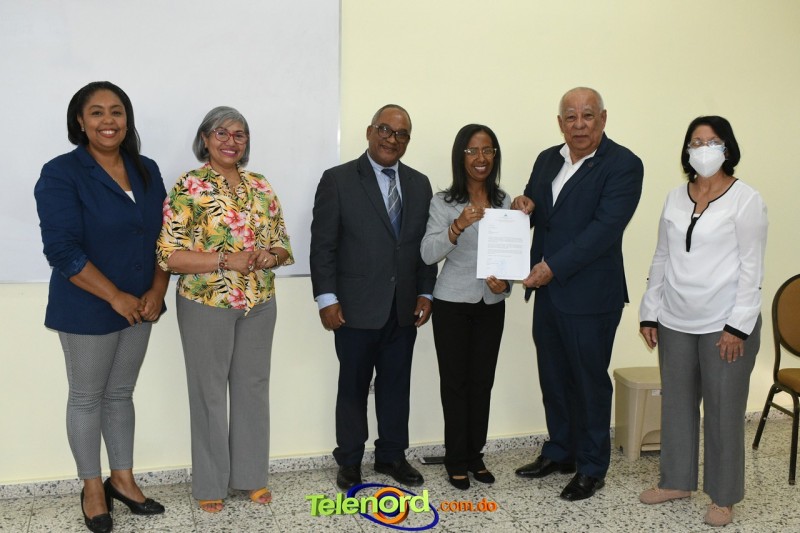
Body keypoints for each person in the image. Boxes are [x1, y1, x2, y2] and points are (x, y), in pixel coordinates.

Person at [34, 81, 168, 533]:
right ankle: (92, 488)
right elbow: (62, 250)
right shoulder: (61, 173)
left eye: (116, 111)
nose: (108, 121)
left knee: (120, 394)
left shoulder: (146, 169)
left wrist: (157, 290)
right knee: (87, 398)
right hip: (88, 305)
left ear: (127, 120)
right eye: (96, 112)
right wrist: (115, 296)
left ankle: (123, 480)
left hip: (141, 305)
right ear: (80, 121)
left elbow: (165, 238)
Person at [156, 106, 293, 513]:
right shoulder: (189, 186)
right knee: (209, 394)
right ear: (205, 138)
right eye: (221, 133)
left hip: (259, 302)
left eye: (239, 135)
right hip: (206, 302)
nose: (231, 142)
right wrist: (224, 260)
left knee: (253, 390)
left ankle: (250, 476)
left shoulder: (260, 185)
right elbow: (168, 255)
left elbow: (284, 245)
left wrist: (270, 256)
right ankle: (210, 483)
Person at [512, 87, 643, 501]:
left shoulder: (623, 164)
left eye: (588, 115)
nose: (580, 124)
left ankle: (591, 466)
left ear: (603, 118)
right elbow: (536, 210)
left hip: (591, 295)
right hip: (549, 293)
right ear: (560, 123)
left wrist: (552, 267)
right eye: (571, 117)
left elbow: (603, 230)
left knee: (588, 383)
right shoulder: (547, 159)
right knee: (554, 377)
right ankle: (560, 452)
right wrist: (522, 205)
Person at [638, 116, 767, 527]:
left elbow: (752, 268)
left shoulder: (746, 199)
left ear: (727, 149)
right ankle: (676, 481)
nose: (703, 148)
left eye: (712, 141)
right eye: (695, 141)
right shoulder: (675, 198)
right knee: (676, 405)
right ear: (686, 150)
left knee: (723, 411)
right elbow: (662, 256)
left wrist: (738, 326)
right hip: (675, 319)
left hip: (724, 324)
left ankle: (723, 497)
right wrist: (650, 311)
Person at [310, 104, 437, 490]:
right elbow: (323, 245)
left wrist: (426, 291)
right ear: (369, 132)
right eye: (385, 129)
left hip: (403, 308)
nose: (391, 139)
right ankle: (349, 460)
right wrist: (327, 298)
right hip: (353, 308)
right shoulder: (338, 180)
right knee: (352, 388)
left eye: (401, 134)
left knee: (396, 387)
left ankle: (392, 456)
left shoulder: (419, 184)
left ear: (408, 141)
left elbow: (424, 246)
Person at [420, 124, 511, 490]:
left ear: (495, 156)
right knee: (455, 384)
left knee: (482, 383)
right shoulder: (443, 201)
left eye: (487, 150)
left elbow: (510, 256)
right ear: (461, 156)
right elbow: (428, 253)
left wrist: (506, 283)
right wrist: (457, 226)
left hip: (492, 303)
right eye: (472, 151)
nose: (480, 158)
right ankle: (456, 459)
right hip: (452, 304)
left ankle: (475, 455)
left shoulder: (504, 201)